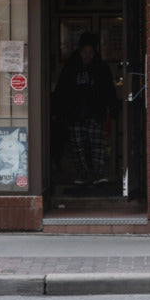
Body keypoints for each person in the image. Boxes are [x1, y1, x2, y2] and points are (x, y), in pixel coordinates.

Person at [53, 32, 118, 186]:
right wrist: (57, 111)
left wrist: (113, 108)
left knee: (97, 146)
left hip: (95, 113)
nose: (87, 56)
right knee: (77, 147)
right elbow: (61, 90)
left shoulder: (101, 68)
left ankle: (98, 174)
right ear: (79, 52)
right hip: (75, 114)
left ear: (94, 53)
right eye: (85, 52)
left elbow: (109, 89)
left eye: (90, 52)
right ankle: (82, 174)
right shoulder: (71, 67)